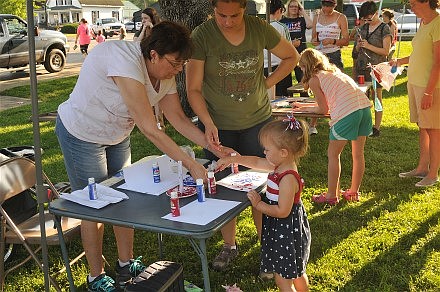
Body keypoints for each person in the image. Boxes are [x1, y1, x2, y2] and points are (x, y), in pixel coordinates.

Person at [55, 21, 232, 292]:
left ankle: (126, 265)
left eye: (182, 63)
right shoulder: (123, 60)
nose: (179, 69)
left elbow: (178, 119)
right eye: (175, 63)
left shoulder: (166, 72)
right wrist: (191, 164)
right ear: (153, 54)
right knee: (93, 205)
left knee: (125, 197)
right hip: (82, 132)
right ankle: (96, 277)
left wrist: (214, 146)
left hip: (116, 135)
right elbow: (150, 129)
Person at [186, 0, 298, 271]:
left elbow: (291, 57)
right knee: (223, 184)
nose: (226, 21)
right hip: (218, 126)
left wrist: (266, 84)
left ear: (244, 9)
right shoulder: (201, 36)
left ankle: (267, 245)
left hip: (257, 122)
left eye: (234, 15)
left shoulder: (260, 29)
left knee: (264, 184)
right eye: (220, 15)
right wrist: (208, 122)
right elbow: (193, 89)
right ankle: (229, 245)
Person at [216, 118, 311, 290]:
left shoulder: (287, 178)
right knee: (295, 271)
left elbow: (282, 211)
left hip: (286, 231)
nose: (264, 153)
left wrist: (259, 205)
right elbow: (256, 162)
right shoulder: (280, 165)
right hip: (284, 230)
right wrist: (234, 159)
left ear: (283, 152)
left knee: (283, 279)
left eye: (267, 150)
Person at [293, 48, 372, 205]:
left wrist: (304, 109)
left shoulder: (315, 79)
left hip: (347, 112)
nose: (301, 70)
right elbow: (328, 101)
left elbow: (323, 109)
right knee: (358, 154)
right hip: (363, 108)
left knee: (333, 155)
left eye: (301, 67)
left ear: (306, 66)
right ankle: (353, 192)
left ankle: (331, 196)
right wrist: (305, 107)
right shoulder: (334, 72)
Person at [392, 0, 440, 187]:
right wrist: (398, 61)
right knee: (423, 126)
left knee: (434, 130)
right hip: (415, 83)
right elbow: (418, 54)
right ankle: (422, 167)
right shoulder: (423, 22)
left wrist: (428, 93)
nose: (411, 7)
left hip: (430, 87)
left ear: (427, 2)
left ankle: (433, 174)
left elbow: (438, 62)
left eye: (413, 3)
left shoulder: (438, 23)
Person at [309, 0, 349, 135]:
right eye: (324, 8)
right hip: (319, 56)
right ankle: (312, 124)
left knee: (336, 90)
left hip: (334, 56)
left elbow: (346, 40)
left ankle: (338, 119)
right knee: (317, 88)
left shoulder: (340, 17)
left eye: (329, 9)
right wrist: (314, 40)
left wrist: (333, 41)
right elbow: (314, 37)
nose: (326, 11)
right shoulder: (317, 17)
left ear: (334, 6)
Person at [355, 1, 391, 138]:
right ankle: (364, 125)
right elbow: (355, 52)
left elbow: (385, 51)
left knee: (377, 98)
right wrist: (358, 46)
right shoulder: (363, 28)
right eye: (364, 18)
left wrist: (368, 46)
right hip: (361, 68)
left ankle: (376, 127)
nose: (366, 20)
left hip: (377, 69)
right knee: (362, 99)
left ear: (376, 13)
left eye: (369, 18)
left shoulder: (384, 28)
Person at [263, 0, 293, 97]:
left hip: (263, 67)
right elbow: (290, 49)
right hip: (281, 67)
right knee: (283, 98)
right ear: (279, 10)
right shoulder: (282, 27)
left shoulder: (260, 26)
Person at [280, 0, 313, 84]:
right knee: (287, 80)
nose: (294, 8)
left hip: (301, 53)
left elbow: (310, 25)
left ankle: (304, 95)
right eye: (291, 6)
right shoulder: (283, 21)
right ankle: (289, 96)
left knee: (302, 78)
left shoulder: (301, 20)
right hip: (287, 53)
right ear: (288, 8)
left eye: (296, 6)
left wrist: (303, 12)